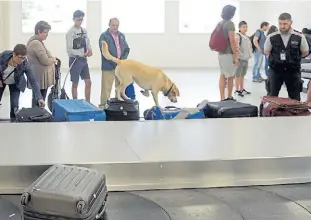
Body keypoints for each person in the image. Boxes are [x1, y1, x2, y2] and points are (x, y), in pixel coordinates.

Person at [264, 13, 309, 101]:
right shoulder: (272, 37)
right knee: (272, 96)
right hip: (275, 70)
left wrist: (293, 58)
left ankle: (294, 114)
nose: (282, 26)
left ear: (291, 22)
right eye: (280, 24)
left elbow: (305, 52)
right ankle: (270, 113)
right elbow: (267, 51)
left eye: (285, 24)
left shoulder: (299, 36)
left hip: (293, 71)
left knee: (295, 97)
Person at [0, 44, 44, 120]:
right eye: (20, 58)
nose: (22, 60)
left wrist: (39, 98)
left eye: (24, 58)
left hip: (15, 83)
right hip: (1, 80)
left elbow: (33, 80)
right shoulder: (4, 56)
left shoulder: (25, 64)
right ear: (14, 54)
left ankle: (13, 122)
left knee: (14, 105)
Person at [98, 18, 133, 108]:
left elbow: (126, 49)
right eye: (113, 25)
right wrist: (114, 61)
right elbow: (104, 52)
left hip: (120, 67)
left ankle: (119, 106)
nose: (115, 27)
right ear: (109, 25)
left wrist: (121, 61)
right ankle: (103, 107)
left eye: (117, 25)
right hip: (108, 66)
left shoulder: (121, 35)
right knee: (106, 89)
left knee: (120, 87)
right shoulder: (104, 36)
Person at [27, 21, 56, 107]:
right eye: (45, 32)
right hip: (39, 76)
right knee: (39, 100)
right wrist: (53, 60)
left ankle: (38, 116)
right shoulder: (36, 43)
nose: (47, 35)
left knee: (39, 99)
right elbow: (45, 60)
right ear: (39, 31)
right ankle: (38, 117)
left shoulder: (37, 41)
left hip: (39, 75)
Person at [66, 10, 92, 102]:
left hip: (84, 60)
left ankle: (88, 102)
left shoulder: (84, 30)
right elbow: (69, 50)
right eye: (78, 20)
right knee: (75, 84)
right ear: (73, 19)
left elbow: (87, 42)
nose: (80, 21)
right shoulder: (70, 32)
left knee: (88, 82)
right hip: (75, 60)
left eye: (81, 20)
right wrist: (81, 54)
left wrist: (90, 50)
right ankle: (75, 102)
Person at [218, 5, 238, 101]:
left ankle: (222, 97)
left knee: (223, 75)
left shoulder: (220, 23)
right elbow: (232, 40)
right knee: (230, 76)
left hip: (221, 53)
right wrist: (236, 55)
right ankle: (229, 96)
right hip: (228, 53)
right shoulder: (230, 24)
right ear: (231, 14)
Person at [234, 21, 252, 97]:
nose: (245, 28)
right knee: (238, 75)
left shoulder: (247, 37)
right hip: (240, 59)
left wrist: (249, 56)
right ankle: (237, 90)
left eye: (246, 27)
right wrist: (238, 58)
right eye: (243, 27)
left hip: (246, 59)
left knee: (243, 75)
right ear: (239, 28)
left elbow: (249, 48)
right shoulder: (237, 36)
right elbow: (236, 48)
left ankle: (242, 89)